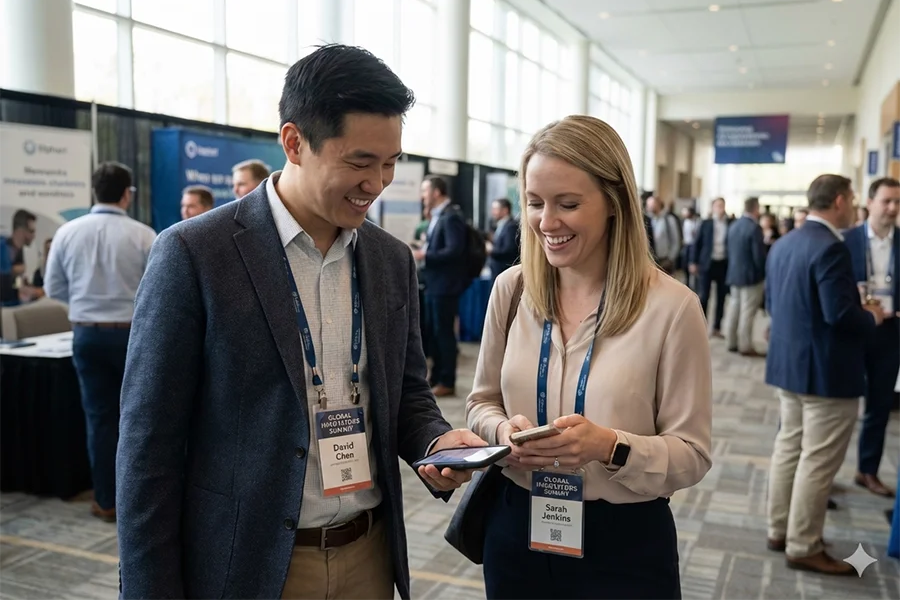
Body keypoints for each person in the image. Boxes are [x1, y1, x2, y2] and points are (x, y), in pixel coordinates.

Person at [116, 45, 483, 600]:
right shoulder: (195, 254)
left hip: (369, 553)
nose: (378, 182)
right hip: (252, 563)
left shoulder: (389, 260)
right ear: (294, 142)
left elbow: (406, 391)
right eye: (360, 162)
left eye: (391, 163)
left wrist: (435, 442)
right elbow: (149, 446)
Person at [466, 115, 712, 599]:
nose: (546, 222)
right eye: (535, 203)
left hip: (623, 540)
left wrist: (610, 446)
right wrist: (501, 433)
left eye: (568, 204)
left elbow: (693, 454)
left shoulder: (671, 306)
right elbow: (480, 403)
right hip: (517, 525)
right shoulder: (512, 290)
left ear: (615, 203)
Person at [765, 174, 884, 575]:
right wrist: (872, 316)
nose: (854, 206)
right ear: (838, 200)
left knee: (788, 450)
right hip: (826, 373)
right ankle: (803, 544)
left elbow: (775, 303)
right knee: (817, 462)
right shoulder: (832, 247)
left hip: (789, 365)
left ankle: (779, 529)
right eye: (852, 198)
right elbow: (840, 315)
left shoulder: (786, 242)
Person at [44, 162, 156, 522]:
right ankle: (138, 499)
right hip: (131, 335)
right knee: (139, 418)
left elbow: (53, 288)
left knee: (99, 419)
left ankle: (106, 501)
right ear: (127, 194)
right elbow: (156, 290)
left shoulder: (67, 233)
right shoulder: (143, 235)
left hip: (86, 334)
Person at [843, 177, 900, 497]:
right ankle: (825, 476)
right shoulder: (845, 240)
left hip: (890, 332)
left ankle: (868, 470)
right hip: (853, 331)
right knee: (839, 408)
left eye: (897, 202)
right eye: (887, 201)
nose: (892, 208)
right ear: (869, 202)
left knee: (879, 406)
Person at [412, 176, 468, 397]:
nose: (422, 196)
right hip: (434, 284)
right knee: (434, 332)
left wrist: (425, 254)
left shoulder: (452, 216)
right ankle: (435, 377)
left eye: (425, 191)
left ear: (436, 192)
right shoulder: (438, 216)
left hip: (445, 286)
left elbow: (454, 251)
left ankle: (447, 380)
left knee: (444, 333)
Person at [724, 197, 766, 356]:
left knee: (734, 308)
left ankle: (731, 341)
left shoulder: (733, 226)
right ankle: (745, 345)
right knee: (747, 311)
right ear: (756, 208)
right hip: (751, 277)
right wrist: (763, 273)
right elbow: (758, 256)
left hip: (734, 274)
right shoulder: (754, 228)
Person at [690, 197, 731, 338]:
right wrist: (693, 262)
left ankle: (717, 328)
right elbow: (697, 243)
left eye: (722, 205)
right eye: (718, 205)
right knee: (704, 296)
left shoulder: (729, 223)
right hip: (707, 263)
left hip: (723, 264)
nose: (720, 208)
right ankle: (702, 326)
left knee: (721, 297)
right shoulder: (706, 223)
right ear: (713, 207)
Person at [487, 197, 519, 280]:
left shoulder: (511, 226)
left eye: (495, 209)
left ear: (505, 210)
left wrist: (491, 250)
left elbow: (508, 250)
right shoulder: (500, 225)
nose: (493, 212)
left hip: (504, 272)